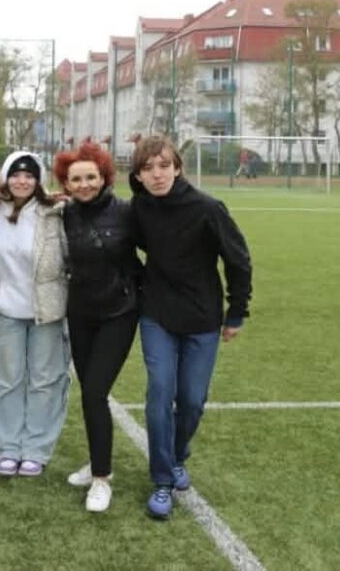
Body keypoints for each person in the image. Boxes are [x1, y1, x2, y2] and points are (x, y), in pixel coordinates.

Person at [129, 136, 252, 520]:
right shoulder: (138, 209)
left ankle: (178, 455)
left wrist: (236, 313)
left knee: (193, 400)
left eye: (163, 165)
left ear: (178, 167)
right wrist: (140, 280)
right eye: (148, 168)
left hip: (202, 318)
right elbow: (120, 245)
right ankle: (163, 480)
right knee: (160, 393)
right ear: (138, 175)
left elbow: (239, 261)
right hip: (157, 317)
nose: (157, 174)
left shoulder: (207, 209)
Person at [53, 143, 141, 513]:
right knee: (90, 395)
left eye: (91, 177)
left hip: (119, 314)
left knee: (94, 393)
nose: (85, 184)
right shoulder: (63, 213)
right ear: (66, 184)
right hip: (81, 314)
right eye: (77, 179)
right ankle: (96, 461)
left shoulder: (127, 212)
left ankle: (101, 479)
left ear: (104, 176)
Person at [0, 151, 70, 480]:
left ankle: (36, 449)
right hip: (5, 310)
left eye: (29, 175)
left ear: (38, 179)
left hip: (47, 310)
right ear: (5, 177)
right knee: (3, 381)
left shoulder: (54, 212)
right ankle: (9, 446)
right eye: (16, 174)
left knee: (46, 380)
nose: (22, 181)